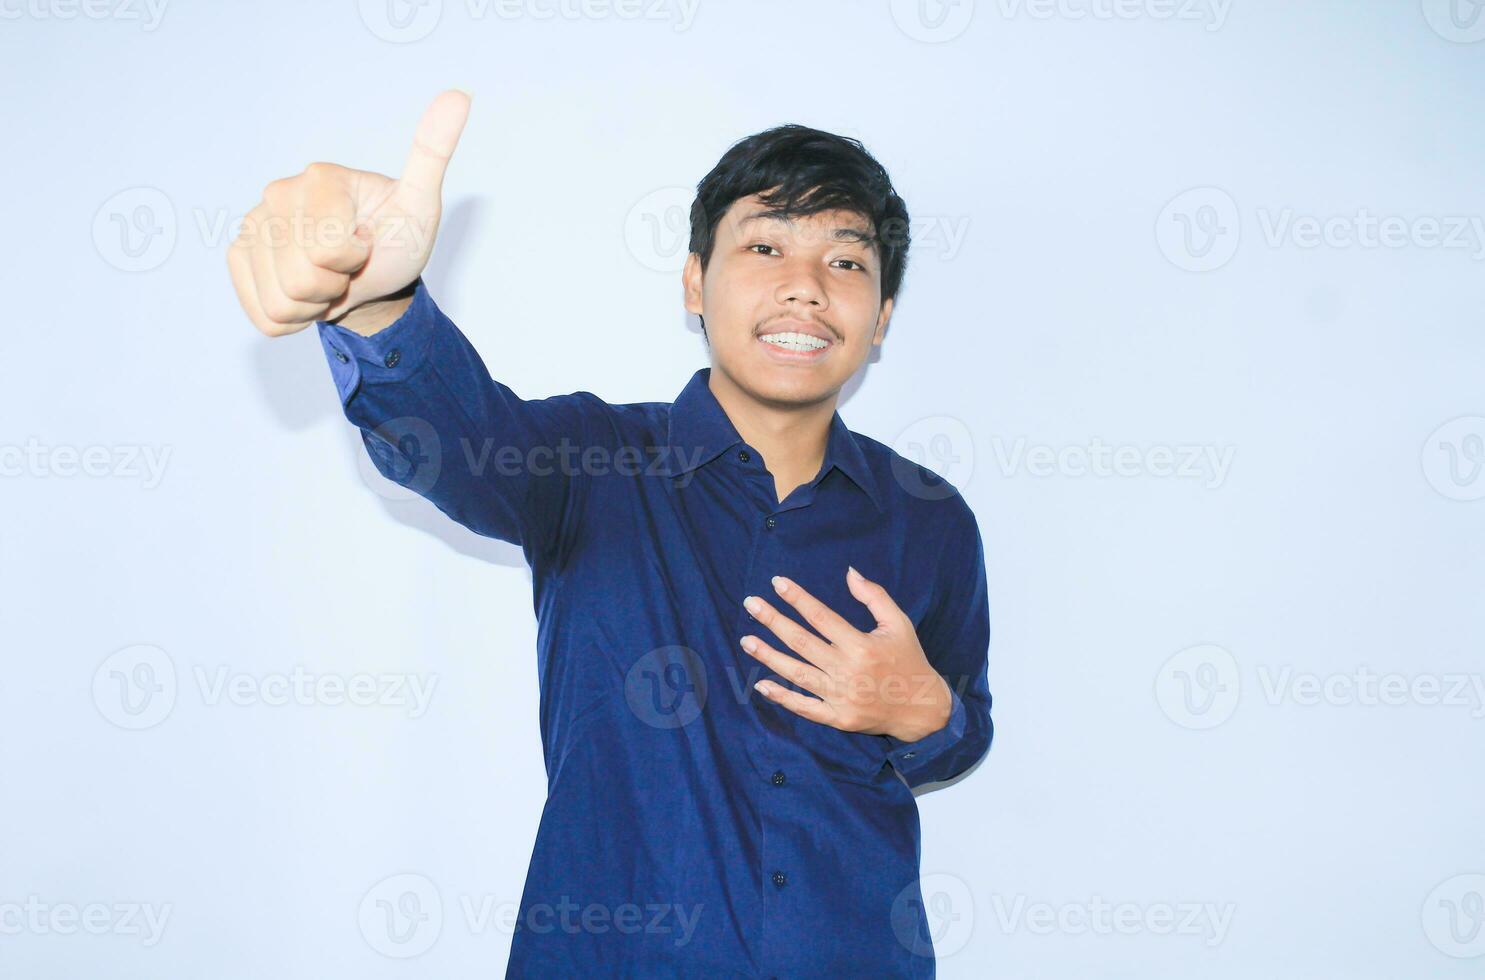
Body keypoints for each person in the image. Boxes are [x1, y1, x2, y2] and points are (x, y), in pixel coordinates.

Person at [227, 88, 993, 978]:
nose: (804, 286)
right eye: (765, 246)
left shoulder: (930, 516)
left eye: (847, 262)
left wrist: (925, 711)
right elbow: (457, 441)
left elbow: (963, 722)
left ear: (883, 316)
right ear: (693, 282)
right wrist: (378, 304)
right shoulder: (588, 465)